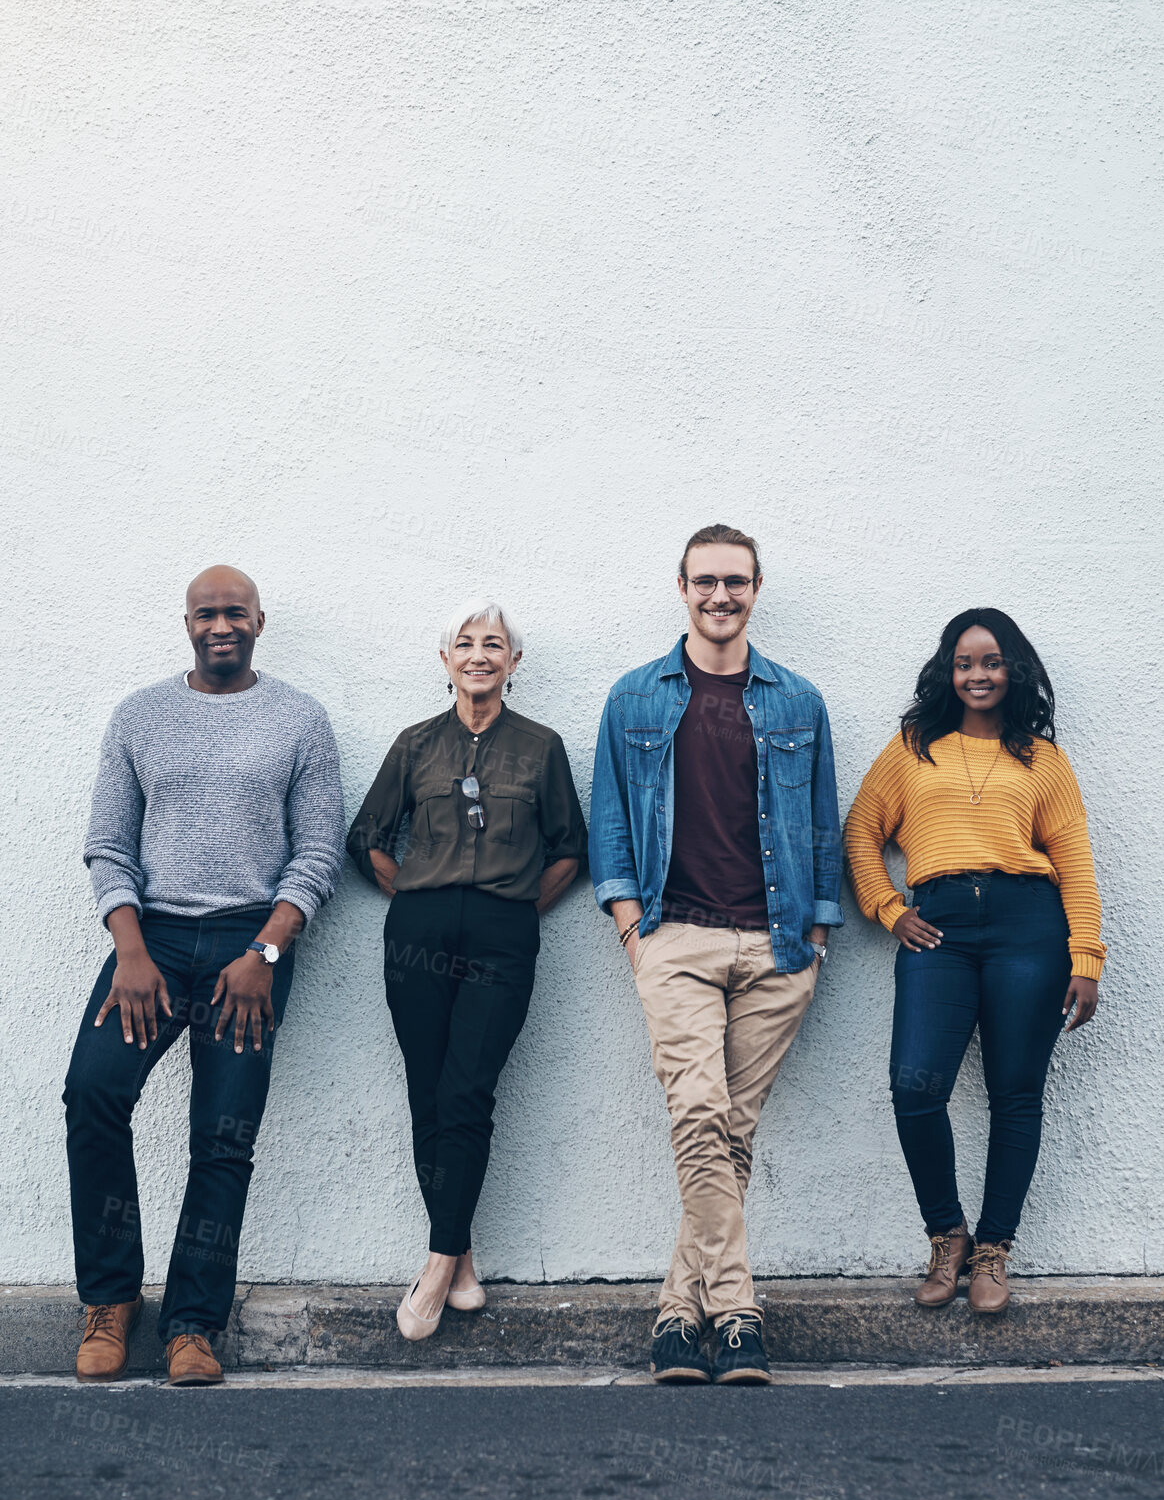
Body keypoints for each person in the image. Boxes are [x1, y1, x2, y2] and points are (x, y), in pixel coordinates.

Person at [64, 566, 345, 1385]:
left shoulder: (300, 720)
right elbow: (109, 844)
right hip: (146, 942)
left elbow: (317, 852)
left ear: (260, 620)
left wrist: (266, 952)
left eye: (234, 612)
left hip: (246, 947)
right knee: (94, 1094)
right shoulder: (140, 715)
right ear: (186, 623)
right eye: (205, 613)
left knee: (223, 1138)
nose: (220, 624)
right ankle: (110, 1303)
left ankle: (192, 1323)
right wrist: (129, 948)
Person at [589, 525, 843, 1385]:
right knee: (698, 1114)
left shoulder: (798, 702)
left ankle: (674, 1313)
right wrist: (632, 929)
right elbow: (612, 826)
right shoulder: (633, 699)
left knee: (728, 1134)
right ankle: (736, 1312)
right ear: (681, 586)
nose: (719, 596)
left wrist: (813, 938)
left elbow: (819, 824)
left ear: (757, 586)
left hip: (776, 945)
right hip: (676, 935)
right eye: (705, 581)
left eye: (734, 581)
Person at [844, 608, 1105, 1314]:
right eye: (964, 662)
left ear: (1012, 669)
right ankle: (946, 1233)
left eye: (991, 661)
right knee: (914, 1084)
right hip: (942, 926)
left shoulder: (1041, 759)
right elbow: (860, 831)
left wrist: (1085, 953)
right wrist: (888, 908)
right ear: (946, 671)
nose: (977, 674)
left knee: (1015, 1093)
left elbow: (1074, 862)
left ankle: (993, 1249)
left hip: (1029, 927)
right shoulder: (911, 747)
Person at [347, 596, 587, 1341]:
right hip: (417, 929)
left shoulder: (541, 746)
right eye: (465, 642)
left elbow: (569, 848)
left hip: (501, 933)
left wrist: (513, 909)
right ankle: (461, 1252)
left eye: (494, 643)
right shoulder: (415, 744)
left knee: (467, 1089)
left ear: (514, 663)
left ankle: (436, 1260)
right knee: (428, 1090)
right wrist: (416, 893)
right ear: (445, 660)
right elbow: (367, 837)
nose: (478, 653)